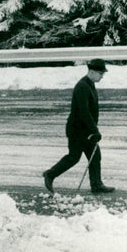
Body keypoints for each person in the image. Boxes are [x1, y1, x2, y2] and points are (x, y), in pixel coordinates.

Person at [43, 58, 115, 194]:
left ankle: (96, 185)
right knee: (73, 157)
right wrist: (95, 130)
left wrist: (92, 130)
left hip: (86, 130)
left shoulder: (89, 84)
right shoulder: (82, 86)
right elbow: (84, 111)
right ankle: (50, 174)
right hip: (77, 130)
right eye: (101, 73)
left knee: (95, 156)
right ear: (92, 72)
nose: (102, 76)